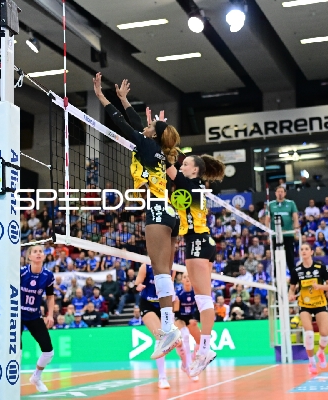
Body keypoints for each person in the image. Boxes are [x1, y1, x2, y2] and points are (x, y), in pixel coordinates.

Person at [95, 74, 182, 358]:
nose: (145, 126)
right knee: (163, 271)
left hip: (157, 209)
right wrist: (123, 98)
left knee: (160, 271)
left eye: (150, 126)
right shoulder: (159, 151)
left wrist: (103, 99)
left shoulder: (147, 145)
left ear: (153, 134)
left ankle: (168, 329)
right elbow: (134, 122)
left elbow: (123, 123)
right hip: (169, 211)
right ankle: (169, 328)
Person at [166, 153, 224, 375]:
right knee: (204, 299)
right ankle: (205, 350)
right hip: (204, 241)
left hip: (197, 242)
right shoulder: (195, 185)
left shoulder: (189, 183)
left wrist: (159, 143)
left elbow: (166, 165)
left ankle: (205, 350)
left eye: (186, 164)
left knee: (204, 300)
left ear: (195, 170)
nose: (182, 166)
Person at [288, 244, 328, 375]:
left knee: (325, 335)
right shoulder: (296, 270)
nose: (303, 251)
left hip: (320, 303)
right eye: (301, 249)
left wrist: (320, 287)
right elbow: (292, 288)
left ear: (312, 252)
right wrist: (290, 295)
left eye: (306, 249)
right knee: (309, 334)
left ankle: (320, 352)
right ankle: (311, 361)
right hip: (305, 305)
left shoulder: (320, 267)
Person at [21, 245, 55, 393]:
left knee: (49, 352)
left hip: (34, 315)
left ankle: (36, 377)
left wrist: (50, 314)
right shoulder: (21, 273)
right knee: (16, 350)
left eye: (41, 251)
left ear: (44, 256)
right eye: (35, 251)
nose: (38, 253)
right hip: (17, 315)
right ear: (29, 257)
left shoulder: (48, 275)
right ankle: (11, 381)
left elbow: (50, 296)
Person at [135, 263, 174, 389]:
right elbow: (137, 283)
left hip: (163, 304)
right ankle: (162, 378)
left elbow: (170, 285)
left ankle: (186, 364)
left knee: (173, 338)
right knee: (160, 337)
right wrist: (138, 286)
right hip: (148, 304)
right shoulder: (145, 266)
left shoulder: (170, 266)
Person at [173, 273, 201, 382]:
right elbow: (176, 312)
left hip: (190, 317)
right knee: (184, 335)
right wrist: (188, 320)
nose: (187, 278)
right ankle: (189, 368)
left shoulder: (195, 292)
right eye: (185, 277)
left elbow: (199, 308)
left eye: (189, 276)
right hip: (179, 318)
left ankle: (190, 360)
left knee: (200, 341)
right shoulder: (179, 293)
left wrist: (195, 319)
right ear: (182, 281)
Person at [267, 186, 300, 272]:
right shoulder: (270, 204)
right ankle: (276, 276)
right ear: (275, 193)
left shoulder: (291, 203)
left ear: (285, 193)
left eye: (282, 191)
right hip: (276, 235)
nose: (280, 193)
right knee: (276, 256)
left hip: (288, 233)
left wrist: (296, 231)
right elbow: (267, 219)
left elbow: (295, 217)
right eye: (278, 192)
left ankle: (293, 275)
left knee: (290, 256)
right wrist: (268, 233)